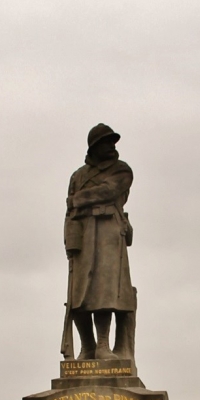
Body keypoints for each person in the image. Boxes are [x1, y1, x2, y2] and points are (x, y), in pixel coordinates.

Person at [61, 124, 137, 361]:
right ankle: (88, 347)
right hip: (83, 234)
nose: (112, 146)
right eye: (106, 142)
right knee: (78, 295)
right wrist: (70, 239)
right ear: (95, 147)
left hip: (108, 232)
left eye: (113, 141)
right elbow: (69, 211)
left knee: (104, 292)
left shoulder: (122, 170)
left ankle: (103, 345)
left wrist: (78, 199)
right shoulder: (78, 176)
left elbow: (108, 191)